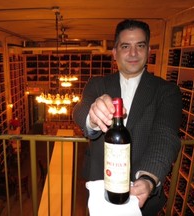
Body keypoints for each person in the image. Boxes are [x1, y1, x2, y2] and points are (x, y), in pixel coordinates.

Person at [73, 19, 182, 215]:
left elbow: (165, 136)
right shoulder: (97, 84)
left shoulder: (167, 91)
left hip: (141, 198)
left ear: (149, 51)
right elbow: (79, 110)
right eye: (125, 46)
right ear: (114, 53)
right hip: (101, 192)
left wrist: (148, 178)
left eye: (140, 46)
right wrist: (93, 116)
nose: (133, 53)